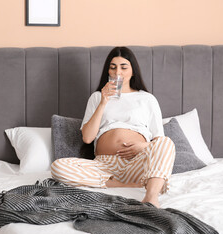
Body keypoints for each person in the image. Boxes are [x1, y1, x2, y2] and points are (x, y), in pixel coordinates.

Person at [51, 47, 175, 207]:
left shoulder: (147, 99)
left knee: (167, 143)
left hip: (136, 162)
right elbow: (88, 138)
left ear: (133, 71)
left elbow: (159, 140)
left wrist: (143, 146)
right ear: (108, 71)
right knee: (58, 167)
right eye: (113, 67)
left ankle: (151, 197)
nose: (118, 72)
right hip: (103, 165)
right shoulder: (97, 97)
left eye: (124, 67)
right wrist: (104, 101)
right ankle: (123, 184)